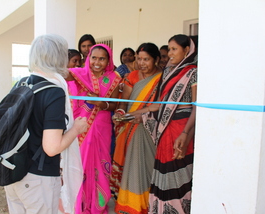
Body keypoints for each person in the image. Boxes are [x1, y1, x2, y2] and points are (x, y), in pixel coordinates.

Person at [3, 34, 88, 214]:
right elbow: (51, 148)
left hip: (13, 174)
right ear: (58, 57)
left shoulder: (21, 83)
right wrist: (76, 129)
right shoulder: (54, 91)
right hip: (37, 179)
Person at [144, 34, 197, 214]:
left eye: (174, 49)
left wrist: (185, 133)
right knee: (163, 169)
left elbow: (196, 107)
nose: (170, 53)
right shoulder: (167, 72)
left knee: (179, 170)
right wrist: (134, 114)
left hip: (182, 129)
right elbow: (159, 104)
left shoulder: (193, 72)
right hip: (164, 129)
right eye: (169, 49)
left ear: (187, 50)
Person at [66, 44, 121, 213]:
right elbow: (58, 75)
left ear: (108, 60)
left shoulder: (114, 78)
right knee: (80, 165)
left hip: (102, 126)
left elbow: (114, 105)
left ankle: (97, 206)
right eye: (94, 57)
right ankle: (79, 205)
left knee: (101, 164)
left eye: (102, 58)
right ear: (88, 57)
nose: (97, 62)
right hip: (81, 126)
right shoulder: (78, 74)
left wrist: (100, 103)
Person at [110, 43, 163, 214]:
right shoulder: (132, 76)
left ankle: (148, 204)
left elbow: (159, 106)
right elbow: (124, 103)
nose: (142, 63)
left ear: (156, 59)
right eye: (139, 59)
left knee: (147, 166)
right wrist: (120, 114)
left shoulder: (162, 78)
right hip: (129, 129)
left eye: (146, 59)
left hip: (150, 130)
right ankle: (130, 205)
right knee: (132, 166)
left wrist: (139, 114)